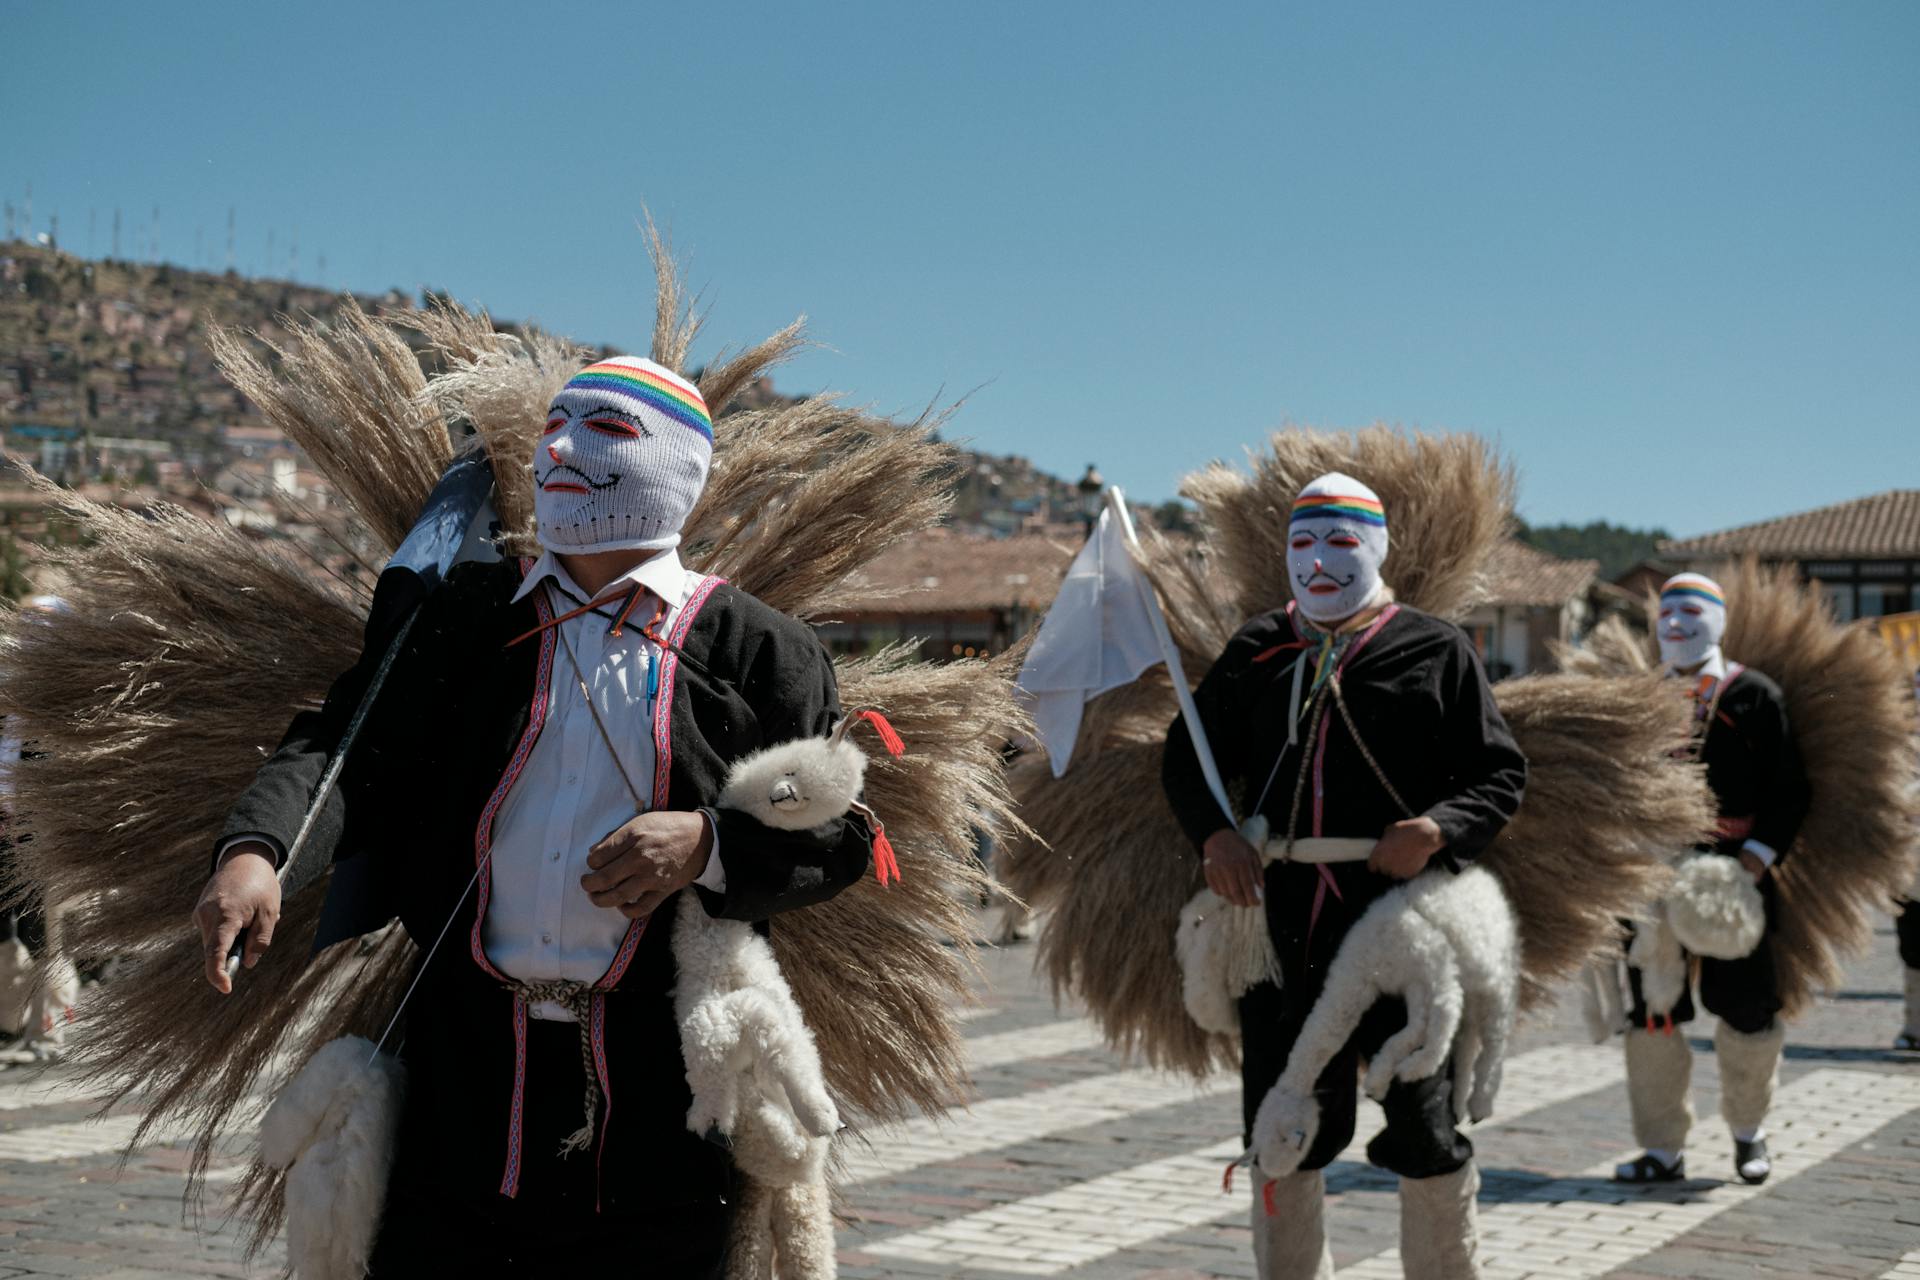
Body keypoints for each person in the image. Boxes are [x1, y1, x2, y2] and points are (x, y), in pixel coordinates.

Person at [191, 356, 872, 1276]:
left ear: (674, 466)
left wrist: (707, 845)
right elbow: (351, 747)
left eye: (602, 431)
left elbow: (841, 836)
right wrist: (258, 851)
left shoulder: (760, 651)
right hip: (461, 1080)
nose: (556, 449)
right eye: (552, 426)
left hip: (662, 1106)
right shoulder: (467, 620)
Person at [1161, 472, 1526, 1280]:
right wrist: (1215, 836)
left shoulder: (1435, 649)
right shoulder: (1256, 649)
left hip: (1401, 921)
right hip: (1277, 919)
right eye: (1302, 542)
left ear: (1377, 548)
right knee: (1281, 1129)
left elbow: (1499, 775)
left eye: (1340, 542)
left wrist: (1436, 832)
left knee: (1424, 1126)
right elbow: (1187, 758)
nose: (1319, 562)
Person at [1613, 572, 1810, 1186]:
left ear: (1717, 622)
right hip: (1654, 875)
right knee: (1652, 1013)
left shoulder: (1755, 695)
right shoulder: (1637, 698)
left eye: (1691, 613)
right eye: (1666, 614)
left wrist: (1754, 858)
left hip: (1733, 877)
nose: (1676, 624)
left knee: (1747, 1008)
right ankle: (1662, 1149)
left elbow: (1791, 788)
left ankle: (1750, 1135)